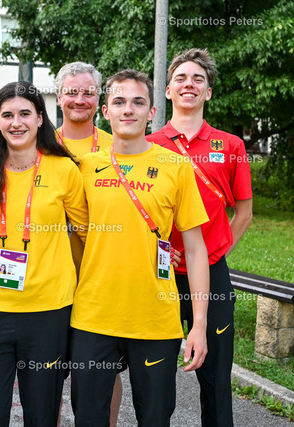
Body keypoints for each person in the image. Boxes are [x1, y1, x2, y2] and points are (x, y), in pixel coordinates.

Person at [70, 69, 210, 426]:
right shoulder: (85, 167)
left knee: (154, 418)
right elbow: (74, 238)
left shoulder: (176, 167)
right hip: (93, 318)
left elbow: (195, 250)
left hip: (155, 320)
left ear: (152, 112)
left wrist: (198, 325)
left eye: (138, 102)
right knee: (89, 418)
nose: (128, 110)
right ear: (106, 111)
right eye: (119, 102)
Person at [0, 81, 89, 426]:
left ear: (40, 119)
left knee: (42, 416)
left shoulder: (64, 170)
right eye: (7, 115)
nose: (16, 122)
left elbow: (88, 235)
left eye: (25, 114)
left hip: (49, 311)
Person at [148, 48, 253, 427]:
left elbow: (244, 213)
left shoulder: (231, 145)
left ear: (208, 92)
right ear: (168, 91)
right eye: (180, 78)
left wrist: (213, 254)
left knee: (215, 378)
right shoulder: (148, 144)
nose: (188, 84)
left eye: (198, 79)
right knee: (155, 376)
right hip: (158, 275)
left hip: (211, 274)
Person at [54, 61, 124, 426]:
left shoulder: (119, 145)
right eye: (72, 92)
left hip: (101, 279)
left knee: (105, 370)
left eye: (88, 92)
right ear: (58, 97)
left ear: (100, 99)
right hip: (49, 280)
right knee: (48, 374)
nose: (79, 99)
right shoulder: (40, 144)